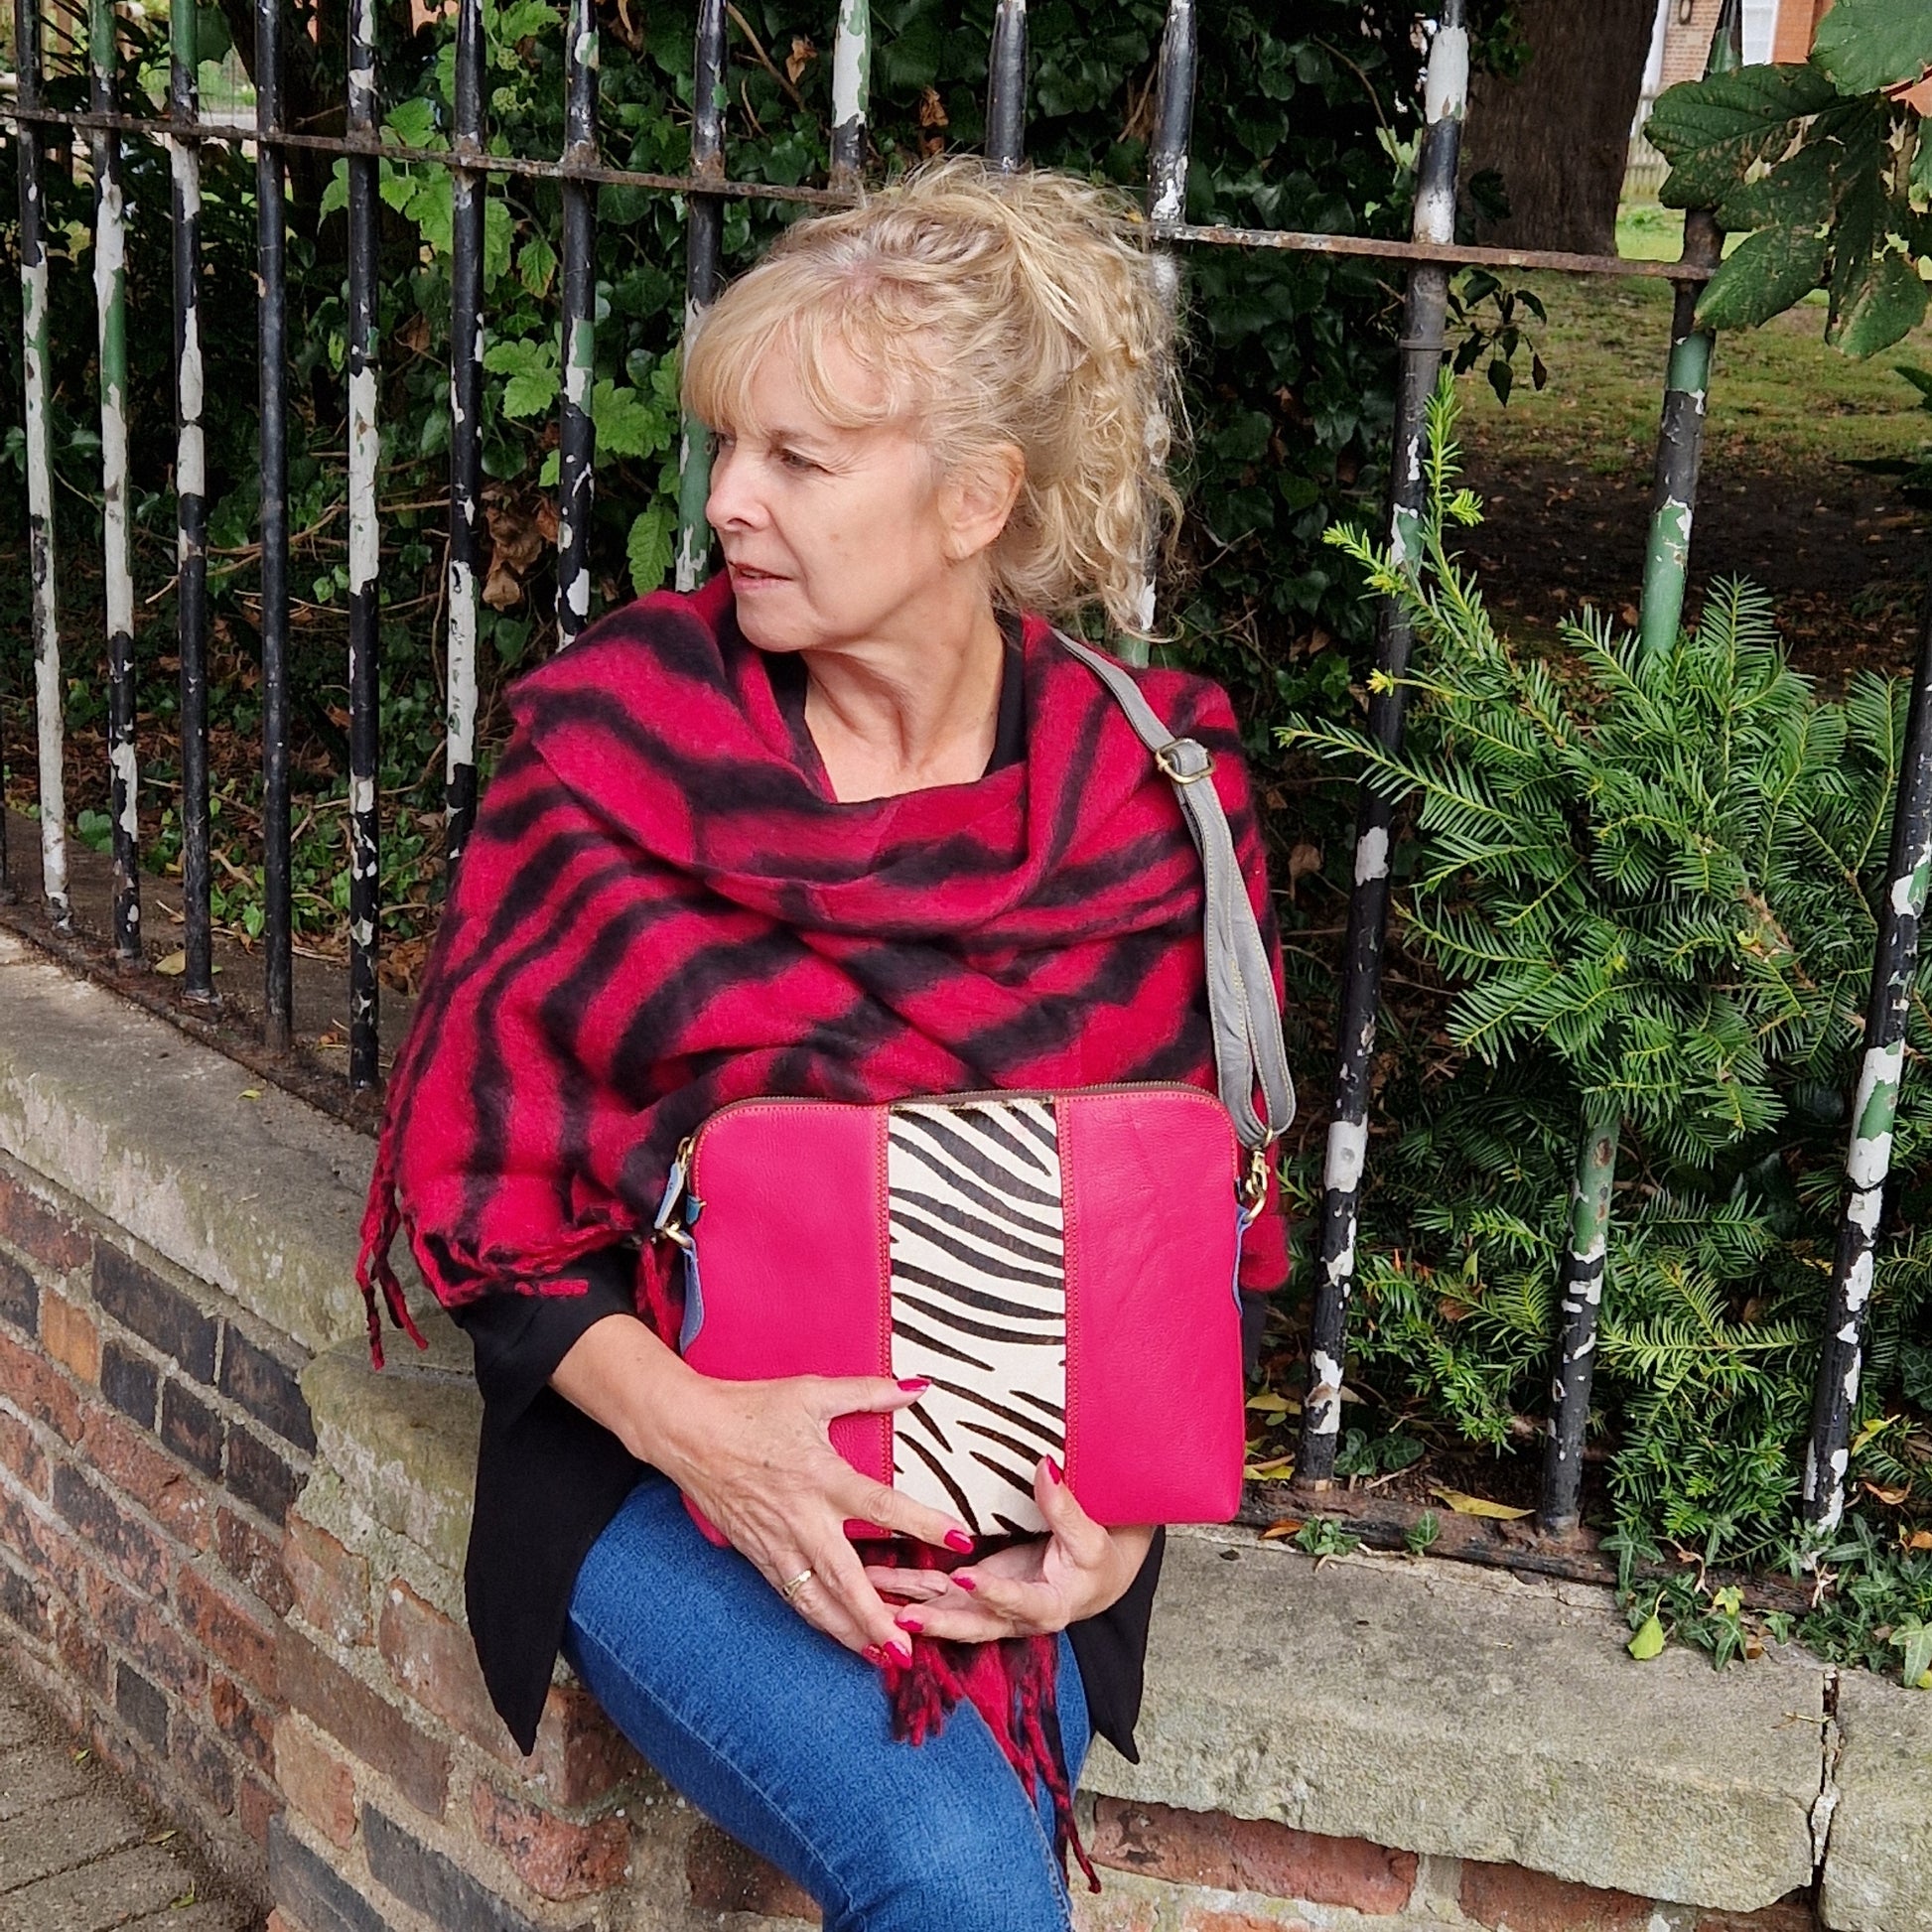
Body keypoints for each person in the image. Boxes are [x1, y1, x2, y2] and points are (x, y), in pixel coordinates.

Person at [358, 156, 1288, 1932]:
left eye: (796, 458)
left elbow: (1172, 1217)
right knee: (957, 1874)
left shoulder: (1151, 786)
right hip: (657, 1463)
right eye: (726, 447)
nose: (728, 500)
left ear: (972, 500)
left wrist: (1126, 1520)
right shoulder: (610, 745)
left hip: (1019, 1500)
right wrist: (711, 1434)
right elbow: (488, 1210)